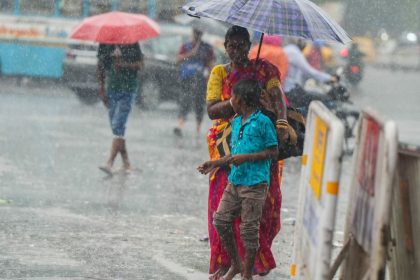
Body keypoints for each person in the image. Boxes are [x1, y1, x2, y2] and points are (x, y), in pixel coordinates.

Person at [205, 25, 288, 279]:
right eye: (232, 45)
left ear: (250, 46)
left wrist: (280, 121)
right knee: (222, 211)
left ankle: (251, 266)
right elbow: (211, 111)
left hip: (259, 145)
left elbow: (278, 100)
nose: (237, 50)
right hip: (227, 145)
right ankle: (229, 261)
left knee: (259, 211)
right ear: (225, 46)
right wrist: (236, 102)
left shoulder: (264, 70)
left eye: (242, 45)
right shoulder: (220, 73)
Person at [198, 79, 279, 280]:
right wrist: (214, 163)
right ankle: (236, 263)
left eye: (233, 96)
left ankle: (246, 275)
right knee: (221, 220)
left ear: (241, 100)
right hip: (235, 181)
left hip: (255, 183)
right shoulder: (235, 122)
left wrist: (247, 158)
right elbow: (235, 153)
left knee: (249, 230)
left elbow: (273, 151)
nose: (230, 100)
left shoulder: (263, 122)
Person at [97, 43, 144, 175]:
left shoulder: (133, 44)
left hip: (128, 90)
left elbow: (140, 65)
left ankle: (109, 163)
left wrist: (123, 65)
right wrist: (101, 89)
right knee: (116, 128)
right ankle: (126, 163)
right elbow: (100, 65)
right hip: (112, 89)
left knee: (118, 125)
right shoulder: (105, 44)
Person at [174, 28, 215, 137]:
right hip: (186, 78)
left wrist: (210, 77)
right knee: (185, 100)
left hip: (201, 79)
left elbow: (211, 64)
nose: (197, 35)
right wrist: (190, 54)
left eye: (199, 33)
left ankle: (198, 128)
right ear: (193, 33)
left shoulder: (207, 48)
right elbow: (177, 60)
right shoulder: (186, 46)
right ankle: (180, 124)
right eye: (196, 32)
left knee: (199, 104)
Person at [283, 39, 336, 109]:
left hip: (288, 87)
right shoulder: (294, 53)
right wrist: (329, 78)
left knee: (310, 95)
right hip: (290, 90)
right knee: (322, 99)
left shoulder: (287, 49)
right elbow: (309, 71)